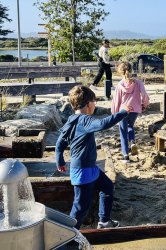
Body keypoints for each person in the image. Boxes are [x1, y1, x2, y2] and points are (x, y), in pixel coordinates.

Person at [55, 85, 132, 229]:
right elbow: (103, 124)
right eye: (94, 102)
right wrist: (123, 112)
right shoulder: (85, 120)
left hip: (89, 168)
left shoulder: (72, 119)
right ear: (89, 103)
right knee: (80, 207)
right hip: (83, 172)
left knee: (107, 186)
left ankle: (104, 222)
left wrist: (59, 159)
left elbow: (60, 142)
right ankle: (68, 236)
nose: (95, 105)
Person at [111, 62, 149, 163]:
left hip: (123, 110)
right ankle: (132, 142)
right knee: (130, 126)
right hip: (135, 109)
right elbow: (144, 95)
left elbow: (116, 101)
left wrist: (115, 114)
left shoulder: (120, 85)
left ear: (120, 72)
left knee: (123, 132)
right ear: (131, 70)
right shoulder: (138, 82)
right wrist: (144, 104)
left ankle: (125, 156)